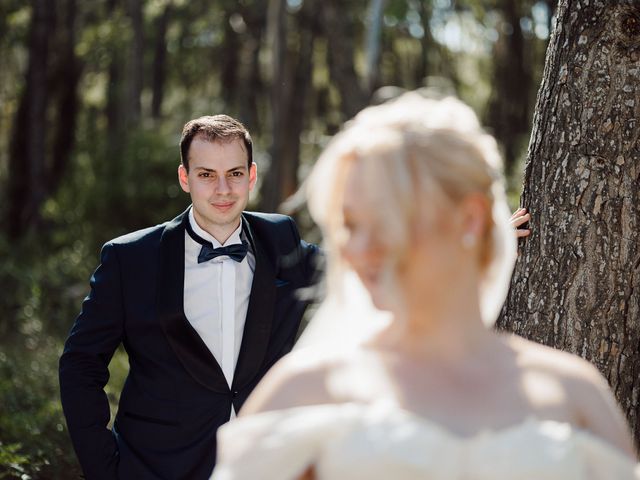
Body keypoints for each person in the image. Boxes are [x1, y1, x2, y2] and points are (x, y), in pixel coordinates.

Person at [211, 93, 639, 480]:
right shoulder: (305, 391)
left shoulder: (575, 394)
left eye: (382, 221)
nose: (356, 249)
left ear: (469, 219)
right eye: (349, 226)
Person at [59, 115, 320, 480]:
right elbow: (80, 365)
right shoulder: (131, 258)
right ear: (185, 177)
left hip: (262, 465)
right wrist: (104, 468)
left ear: (252, 175)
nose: (223, 189)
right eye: (206, 175)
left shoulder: (282, 240)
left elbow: (364, 271)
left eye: (235, 173)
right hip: (157, 467)